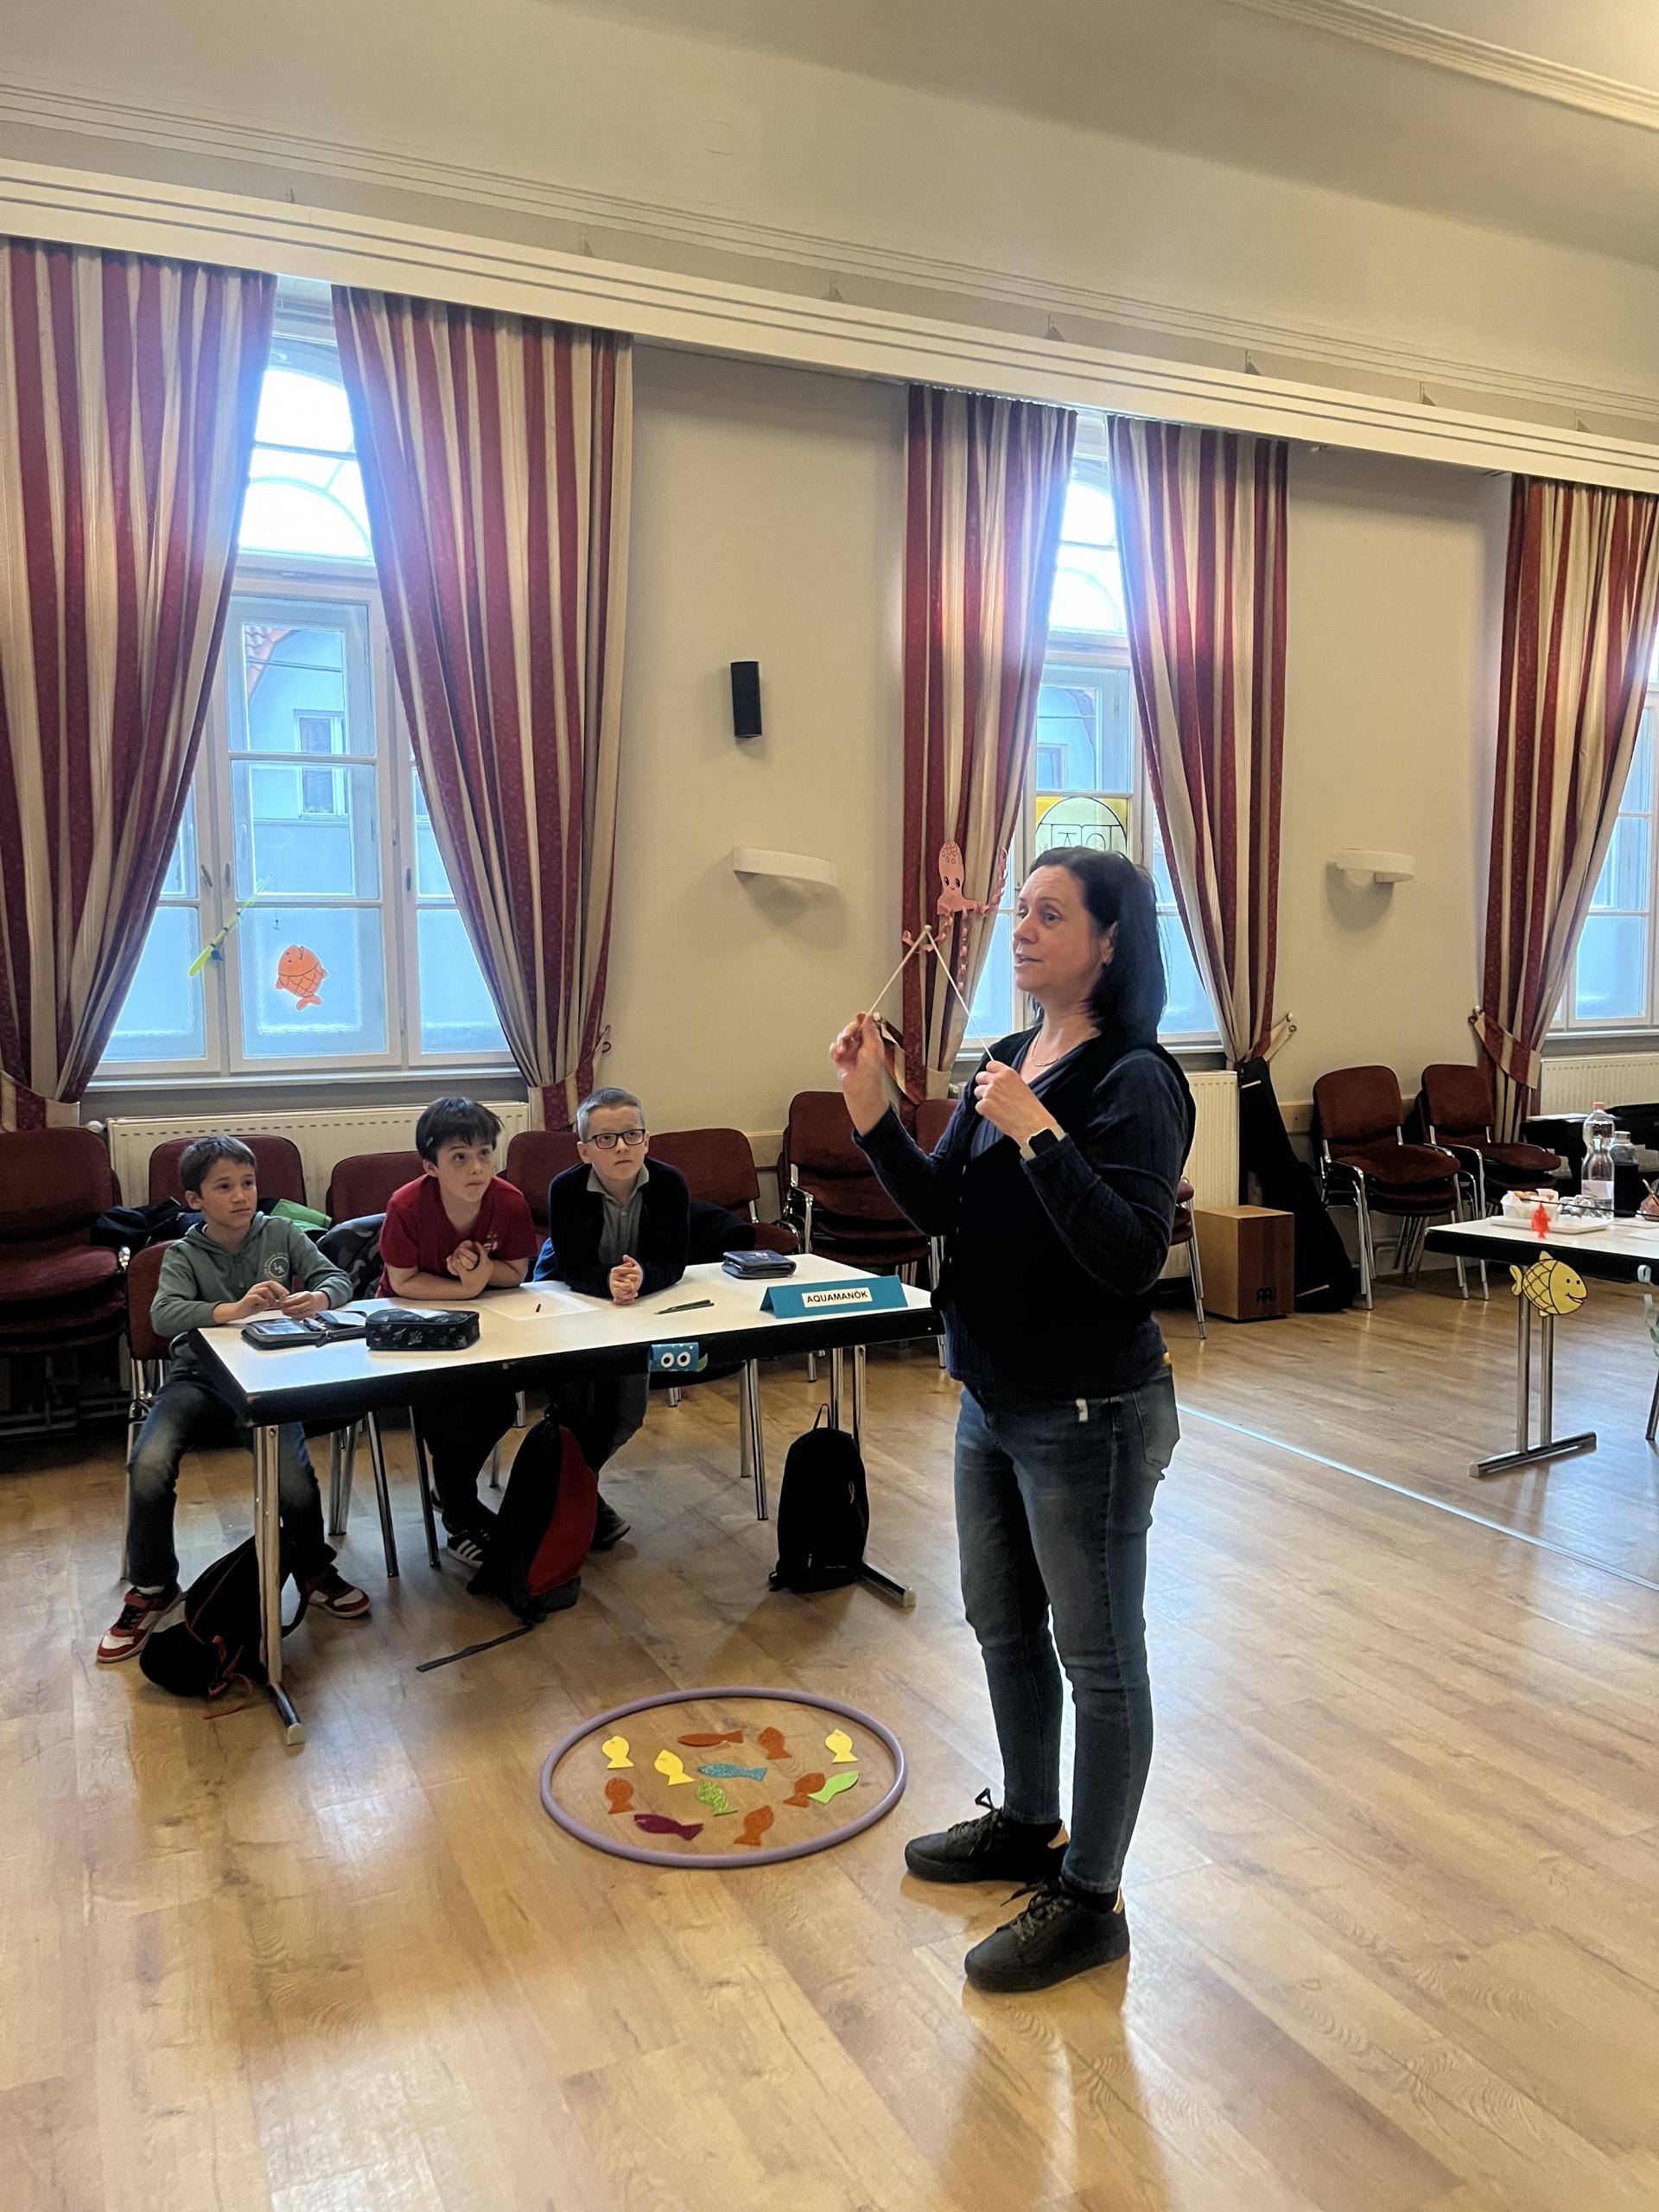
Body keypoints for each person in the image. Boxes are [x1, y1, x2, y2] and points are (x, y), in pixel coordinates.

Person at [830, 848, 1193, 1994]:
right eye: (1021, 911)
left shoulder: (1138, 1078)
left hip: (1091, 1411)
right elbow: (942, 1205)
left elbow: (1131, 1257)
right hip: (990, 1397)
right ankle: (1031, 1822)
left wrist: (1039, 1131)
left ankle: (1092, 1899)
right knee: (1001, 1625)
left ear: (1110, 942)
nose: (1022, 930)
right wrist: (873, 1112)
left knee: (1101, 1659)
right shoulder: (1006, 1052)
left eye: (1050, 914)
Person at [99, 1135, 371, 1664]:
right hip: (198, 1380)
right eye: (224, 1187)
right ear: (195, 1199)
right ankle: (153, 1586)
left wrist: (318, 1296)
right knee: (149, 1463)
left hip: (271, 1377)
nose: (241, 1195)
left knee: (292, 1477)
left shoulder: (281, 1232)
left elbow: (336, 1279)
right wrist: (233, 1309)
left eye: (247, 1183)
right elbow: (163, 1316)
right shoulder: (183, 1253)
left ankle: (313, 1567)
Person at [531, 1086, 691, 1549]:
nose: (621, 1147)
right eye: (605, 1139)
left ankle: (572, 1488)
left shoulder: (670, 1184)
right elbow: (571, 1267)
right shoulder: (565, 1189)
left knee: (626, 1413)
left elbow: (674, 1261)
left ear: (647, 1140)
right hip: (571, 1299)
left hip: (637, 1304)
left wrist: (642, 1277)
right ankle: (577, 1499)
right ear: (584, 1150)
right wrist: (608, 1282)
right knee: (575, 1407)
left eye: (631, 1135)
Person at [379, 1097, 537, 1567]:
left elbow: (517, 1272)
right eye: (460, 1158)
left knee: (499, 1407)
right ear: (431, 1166)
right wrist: (463, 1290)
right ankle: (460, 1515)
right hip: (413, 1324)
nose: (477, 1168)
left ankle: (451, 1493)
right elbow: (402, 1282)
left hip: (485, 1322)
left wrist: (482, 1271)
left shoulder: (509, 1201)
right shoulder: (406, 1205)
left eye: (485, 1153)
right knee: (446, 1414)